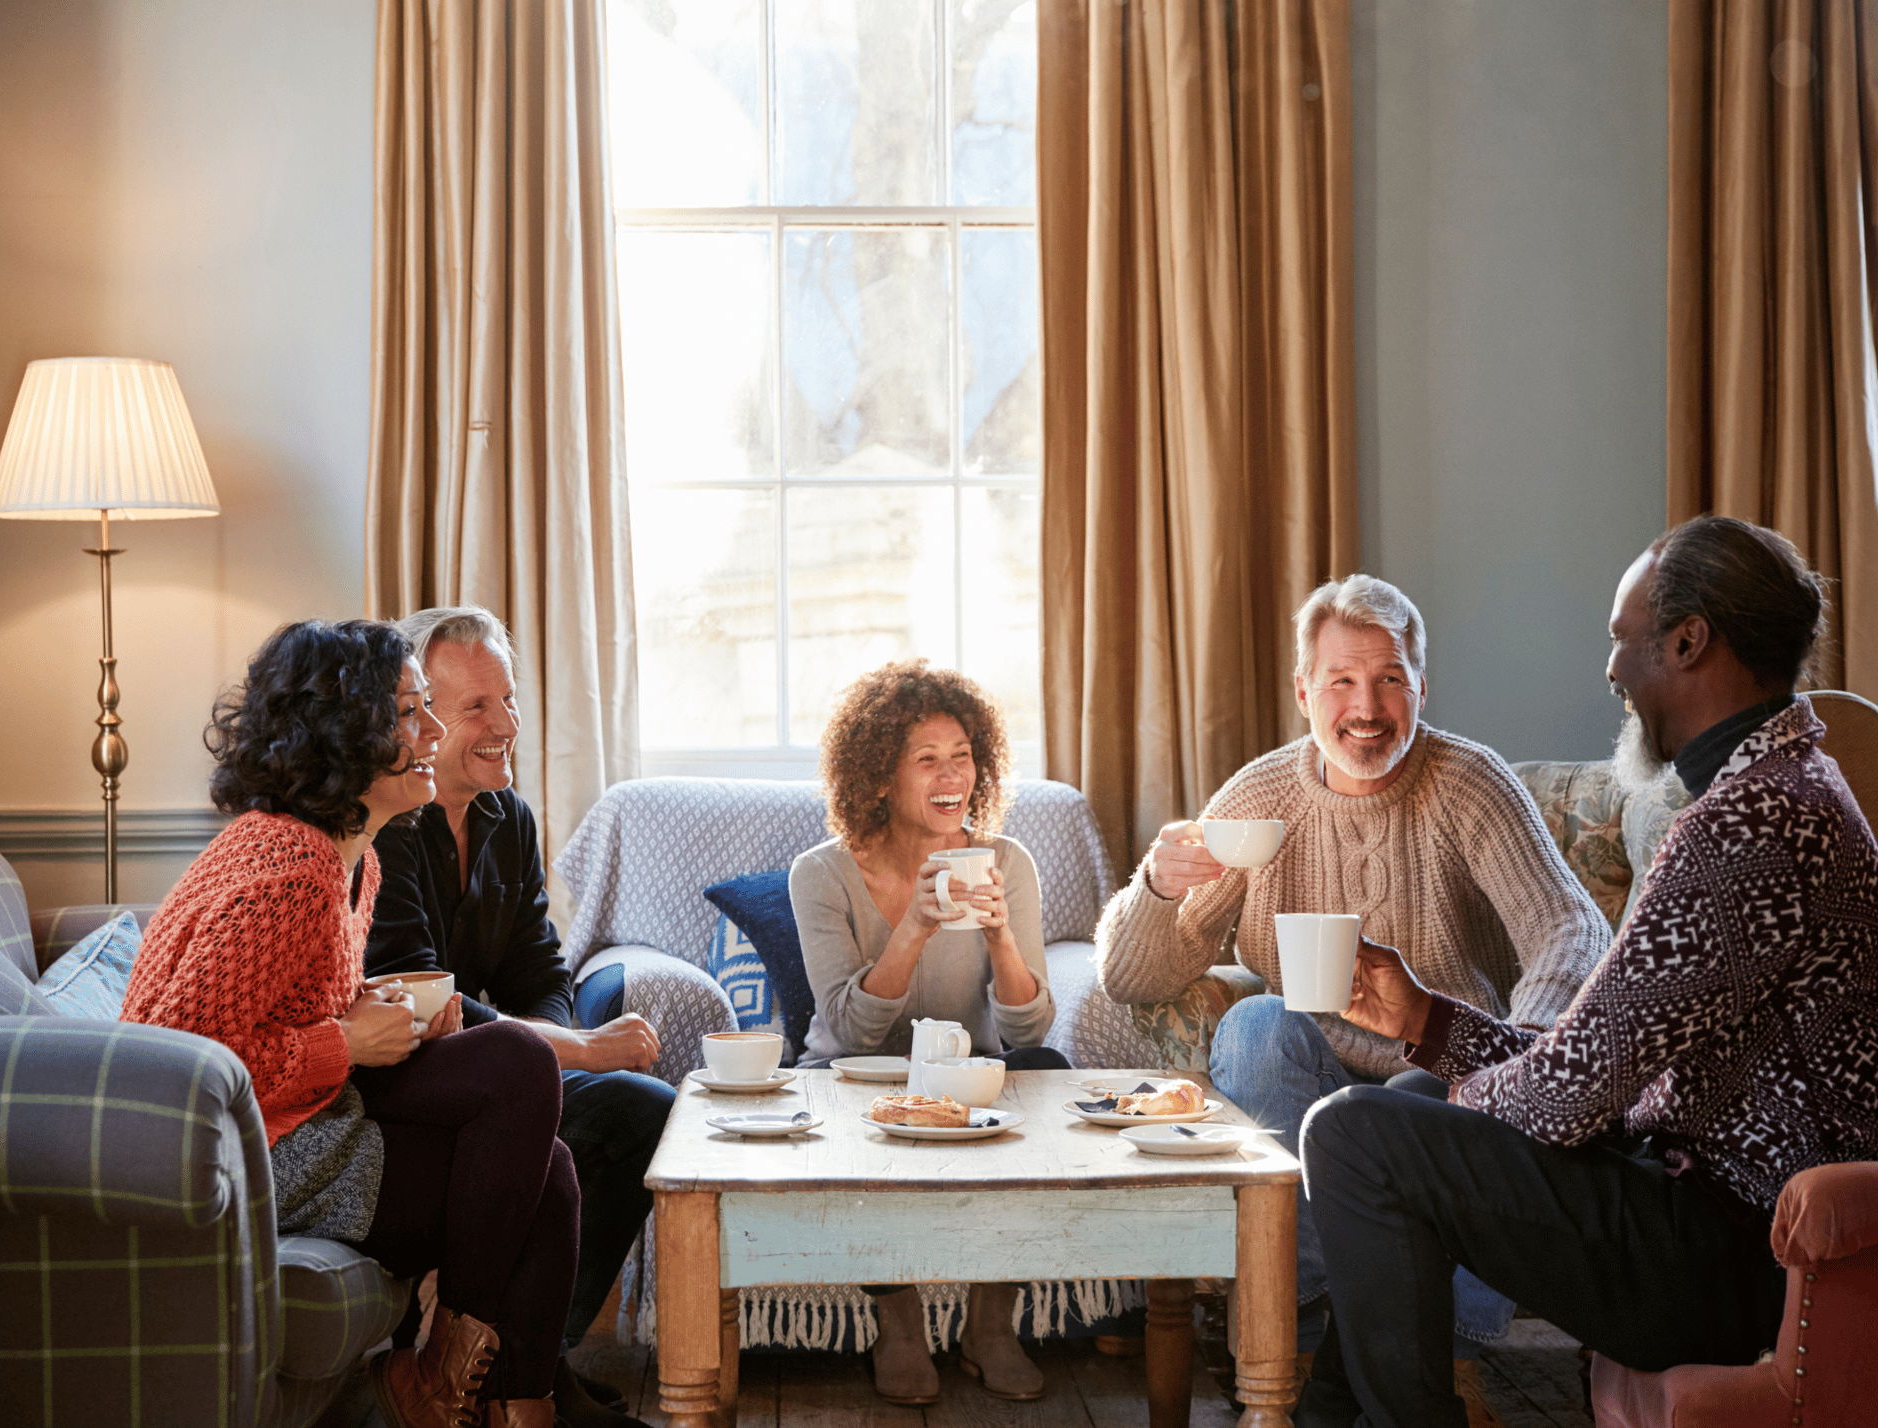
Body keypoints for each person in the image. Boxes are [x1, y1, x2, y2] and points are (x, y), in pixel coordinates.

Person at [1296, 516, 1878, 1428]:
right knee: (1403, 1091)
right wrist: (1429, 1023)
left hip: (1735, 1253)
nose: (1611, 670)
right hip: (1699, 1202)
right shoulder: (1782, 789)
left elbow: (1572, 1095)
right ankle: (1323, 1420)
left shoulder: (1751, 826)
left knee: (1353, 1132)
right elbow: (1595, 1058)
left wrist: (1460, 1090)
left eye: (1622, 639)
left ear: (1688, 642)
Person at [1095, 573, 1609, 1421]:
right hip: (1303, 1079)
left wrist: (1517, 1050)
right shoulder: (1263, 800)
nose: (1366, 707)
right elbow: (1130, 978)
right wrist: (1156, 886)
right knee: (1258, 1025)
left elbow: (1571, 929)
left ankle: (1424, 1347)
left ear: (1420, 687)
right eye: (1341, 681)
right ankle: (1296, 1339)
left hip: (1431, 1069)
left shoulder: (1467, 782)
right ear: (1304, 692)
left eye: (1390, 679)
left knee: (1484, 1092)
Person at [120, 619, 576, 1428]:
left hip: (311, 1119)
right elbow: (178, 1066)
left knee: (547, 1149)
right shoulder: (291, 874)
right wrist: (344, 1040)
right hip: (260, 1155)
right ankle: (441, 1381)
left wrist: (368, 1007)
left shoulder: (349, 857)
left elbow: (283, 998)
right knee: (520, 1077)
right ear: (347, 733)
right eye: (410, 713)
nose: (432, 732)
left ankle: (506, 1407)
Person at [364, 606, 669, 1428]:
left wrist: (552, 1052)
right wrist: (575, 1048)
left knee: (648, 1113)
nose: (504, 725)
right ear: (423, 717)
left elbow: (544, 970)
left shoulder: (512, 819)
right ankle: (495, 1379)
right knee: (541, 1099)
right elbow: (420, 1000)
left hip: (509, 1069)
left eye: (509, 700)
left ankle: (533, 1360)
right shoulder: (386, 823)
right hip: (414, 1081)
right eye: (474, 709)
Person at [790, 659, 1068, 1406]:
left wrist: (1002, 936)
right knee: (840, 1097)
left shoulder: (1007, 863)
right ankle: (901, 1323)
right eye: (927, 761)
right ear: (879, 778)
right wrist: (913, 926)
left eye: (963, 757)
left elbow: (1028, 1026)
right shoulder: (820, 874)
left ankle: (989, 1323)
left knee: (1047, 1065)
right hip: (850, 1074)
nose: (953, 777)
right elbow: (848, 1031)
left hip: (961, 1072)